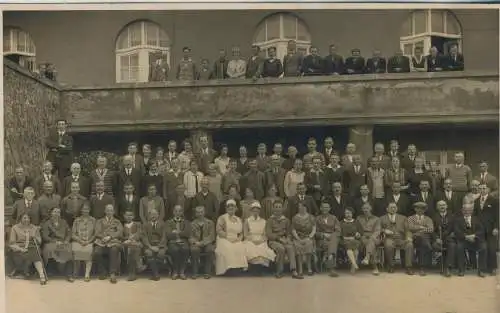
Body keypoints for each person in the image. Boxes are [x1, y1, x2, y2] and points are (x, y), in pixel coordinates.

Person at [9, 213, 47, 284]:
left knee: (35, 252)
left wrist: (35, 236)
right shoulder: (15, 228)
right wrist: (21, 249)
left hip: (32, 247)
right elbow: (12, 243)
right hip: (20, 247)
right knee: (31, 254)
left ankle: (42, 275)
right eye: (24, 218)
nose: (27, 220)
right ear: (20, 219)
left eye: (28, 218)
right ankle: (26, 272)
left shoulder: (34, 228)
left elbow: (39, 242)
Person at [266, 200, 299, 278]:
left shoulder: (286, 220)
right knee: (281, 249)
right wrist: (279, 239)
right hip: (273, 241)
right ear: (273, 209)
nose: (278, 209)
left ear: (282, 209)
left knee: (290, 247)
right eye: (276, 207)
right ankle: (279, 270)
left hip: (284, 239)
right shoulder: (270, 220)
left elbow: (289, 233)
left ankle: (293, 270)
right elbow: (269, 234)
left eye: (279, 207)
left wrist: (288, 238)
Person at [215, 199, 248, 275]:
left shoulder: (239, 219)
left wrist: (239, 239)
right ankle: (228, 269)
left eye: (232, 207)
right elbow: (219, 231)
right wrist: (228, 237)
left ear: (236, 208)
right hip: (223, 238)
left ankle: (237, 269)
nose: (230, 208)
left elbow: (241, 233)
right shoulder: (222, 218)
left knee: (240, 247)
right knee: (228, 247)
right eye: (228, 207)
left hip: (236, 239)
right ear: (226, 208)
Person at [453, 202, 487, 277]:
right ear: (462, 211)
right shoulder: (458, 220)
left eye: (468, 210)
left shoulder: (476, 219)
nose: (466, 212)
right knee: (459, 247)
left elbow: (481, 230)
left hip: (476, 240)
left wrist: (474, 235)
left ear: (471, 211)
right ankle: (461, 270)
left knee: (483, 248)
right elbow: (457, 231)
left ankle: (481, 270)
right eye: (465, 210)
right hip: (464, 240)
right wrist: (466, 237)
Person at [380, 202, 414, 275]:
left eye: (394, 207)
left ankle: (408, 267)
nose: (393, 209)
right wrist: (384, 230)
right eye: (391, 207)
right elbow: (378, 229)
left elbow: (407, 230)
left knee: (409, 244)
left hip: (401, 238)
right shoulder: (382, 218)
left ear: (397, 209)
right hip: (389, 238)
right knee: (389, 245)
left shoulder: (403, 217)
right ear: (387, 209)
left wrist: (408, 237)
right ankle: (391, 265)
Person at [93, 204, 123, 284]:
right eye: (108, 210)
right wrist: (104, 237)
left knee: (114, 250)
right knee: (96, 252)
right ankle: (102, 272)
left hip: (113, 242)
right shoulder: (99, 221)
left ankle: (112, 273)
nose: (109, 212)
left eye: (111, 210)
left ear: (113, 212)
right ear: (105, 211)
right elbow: (97, 232)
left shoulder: (117, 221)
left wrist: (110, 237)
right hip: (102, 242)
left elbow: (120, 232)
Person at [41, 207, 73, 281]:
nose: (56, 214)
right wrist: (54, 241)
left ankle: (69, 274)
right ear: (51, 213)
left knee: (69, 249)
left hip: (63, 242)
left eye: (58, 212)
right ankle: (50, 271)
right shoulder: (47, 223)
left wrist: (66, 240)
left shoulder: (64, 222)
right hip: (52, 242)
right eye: (55, 212)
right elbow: (45, 236)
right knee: (49, 249)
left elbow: (69, 233)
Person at [473, 184, 499, 275]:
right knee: (483, 248)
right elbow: (475, 215)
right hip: (480, 229)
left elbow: (497, 215)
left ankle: (493, 268)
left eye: (484, 188)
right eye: (480, 188)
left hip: (491, 228)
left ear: (488, 189)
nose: (482, 190)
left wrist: (496, 227)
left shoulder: (494, 201)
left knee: (491, 248)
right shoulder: (476, 201)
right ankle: (483, 268)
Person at [242, 202, 276, 271]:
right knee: (249, 247)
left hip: (261, 239)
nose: (255, 212)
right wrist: (252, 240)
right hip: (250, 239)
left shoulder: (264, 221)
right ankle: (248, 265)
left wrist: (261, 240)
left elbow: (265, 234)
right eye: (253, 210)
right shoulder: (247, 221)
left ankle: (261, 268)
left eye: (257, 210)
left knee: (263, 248)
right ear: (251, 211)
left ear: (259, 211)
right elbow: (245, 234)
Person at [71, 203, 96, 282]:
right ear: (81, 210)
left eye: (87, 209)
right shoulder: (77, 220)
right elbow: (73, 234)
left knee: (88, 250)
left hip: (89, 241)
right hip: (78, 241)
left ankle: (87, 274)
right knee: (75, 250)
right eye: (84, 209)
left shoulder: (93, 220)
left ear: (89, 210)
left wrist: (89, 241)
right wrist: (80, 240)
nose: (85, 211)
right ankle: (76, 273)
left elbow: (95, 234)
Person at [407, 202, 434, 276]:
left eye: (422, 208)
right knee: (420, 243)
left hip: (423, 238)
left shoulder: (428, 219)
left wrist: (419, 231)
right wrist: (421, 227)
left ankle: (422, 268)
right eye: (418, 208)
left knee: (423, 243)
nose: (420, 210)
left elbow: (431, 229)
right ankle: (410, 267)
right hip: (413, 238)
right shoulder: (410, 218)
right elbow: (410, 227)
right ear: (415, 209)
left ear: (425, 210)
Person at [315, 202, 341, 277]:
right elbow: (315, 232)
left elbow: (338, 230)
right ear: (320, 208)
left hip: (333, 238)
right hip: (322, 239)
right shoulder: (317, 219)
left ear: (329, 209)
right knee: (330, 244)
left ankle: (329, 256)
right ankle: (331, 266)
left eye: (327, 207)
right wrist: (323, 235)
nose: (325, 209)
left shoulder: (334, 218)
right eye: (323, 207)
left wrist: (331, 236)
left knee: (333, 240)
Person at [165, 205, 191, 280]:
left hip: (183, 241)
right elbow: (168, 234)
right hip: (172, 242)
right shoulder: (168, 222)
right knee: (174, 250)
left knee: (185, 249)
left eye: (179, 211)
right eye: (176, 211)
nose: (177, 213)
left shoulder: (186, 222)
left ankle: (182, 271)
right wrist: (180, 233)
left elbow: (187, 233)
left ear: (182, 212)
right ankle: (175, 271)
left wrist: (176, 232)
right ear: (173, 212)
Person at [432, 200, 457, 277]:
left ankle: (448, 268)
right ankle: (440, 265)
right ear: (437, 207)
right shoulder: (433, 216)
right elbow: (432, 230)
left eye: (443, 205)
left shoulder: (452, 216)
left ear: (447, 206)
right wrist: (436, 238)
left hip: (448, 238)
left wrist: (453, 233)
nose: (442, 206)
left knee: (452, 245)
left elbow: (455, 228)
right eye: (440, 205)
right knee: (436, 246)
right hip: (438, 238)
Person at [190, 206, 216, 279]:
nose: (200, 214)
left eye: (201, 212)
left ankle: (207, 272)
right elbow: (190, 236)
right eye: (198, 212)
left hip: (207, 243)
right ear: (195, 214)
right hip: (196, 243)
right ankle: (195, 272)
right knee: (194, 250)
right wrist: (195, 242)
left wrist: (202, 243)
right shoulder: (192, 224)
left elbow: (212, 236)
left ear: (204, 212)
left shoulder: (210, 222)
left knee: (210, 250)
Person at [291, 202, 316, 278]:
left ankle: (309, 268)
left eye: (302, 206)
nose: (300, 208)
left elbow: (314, 228)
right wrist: (298, 238)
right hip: (298, 237)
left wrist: (309, 237)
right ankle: (300, 269)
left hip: (308, 237)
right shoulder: (295, 217)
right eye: (299, 207)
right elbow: (293, 229)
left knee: (308, 244)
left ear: (306, 207)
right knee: (298, 246)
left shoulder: (311, 217)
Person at [142, 208, 167, 281]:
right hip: (149, 246)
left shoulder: (162, 224)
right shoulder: (145, 225)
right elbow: (144, 237)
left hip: (160, 246)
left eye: (155, 214)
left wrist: (158, 246)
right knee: (149, 254)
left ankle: (155, 273)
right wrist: (150, 246)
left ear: (158, 215)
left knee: (161, 254)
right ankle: (156, 274)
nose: (153, 216)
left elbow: (164, 237)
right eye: (152, 214)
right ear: (149, 215)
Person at [356, 203, 381, 275]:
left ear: (371, 209)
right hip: (362, 237)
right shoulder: (359, 218)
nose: (365, 210)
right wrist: (357, 233)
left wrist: (372, 237)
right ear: (362, 209)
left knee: (371, 241)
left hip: (374, 237)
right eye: (364, 208)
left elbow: (377, 231)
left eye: (367, 208)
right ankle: (375, 268)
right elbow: (356, 229)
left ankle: (367, 257)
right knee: (370, 244)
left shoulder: (376, 219)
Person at [122, 210, 143, 281]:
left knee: (133, 248)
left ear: (133, 216)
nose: (129, 217)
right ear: (124, 216)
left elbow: (139, 233)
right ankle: (138, 265)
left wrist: (133, 238)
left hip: (136, 242)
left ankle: (132, 273)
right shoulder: (123, 225)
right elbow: (122, 236)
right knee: (131, 247)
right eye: (127, 215)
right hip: (127, 243)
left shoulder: (137, 224)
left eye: (130, 215)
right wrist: (128, 239)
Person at [340, 207, 363, 274]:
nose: (348, 215)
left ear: (352, 214)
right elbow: (339, 233)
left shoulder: (356, 222)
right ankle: (354, 264)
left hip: (355, 240)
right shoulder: (341, 222)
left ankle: (353, 266)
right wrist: (347, 238)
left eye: (349, 213)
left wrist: (358, 234)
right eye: (346, 213)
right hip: (344, 240)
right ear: (344, 214)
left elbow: (361, 232)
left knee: (355, 248)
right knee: (350, 246)